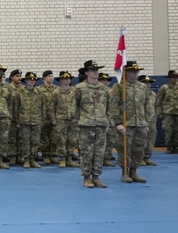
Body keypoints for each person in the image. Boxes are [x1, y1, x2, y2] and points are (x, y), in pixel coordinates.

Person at [72, 60, 111, 188]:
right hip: (85, 124)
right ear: (87, 72)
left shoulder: (104, 89)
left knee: (99, 152)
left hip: (101, 124)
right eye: (93, 70)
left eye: (97, 70)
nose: (95, 73)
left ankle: (96, 176)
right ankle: (87, 177)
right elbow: (73, 107)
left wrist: (107, 121)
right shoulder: (79, 88)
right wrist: (76, 122)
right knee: (86, 152)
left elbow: (109, 108)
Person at [110, 61, 150, 183]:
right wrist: (118, 123)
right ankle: (125, 173)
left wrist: (147, 121)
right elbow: (113, 106)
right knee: (125, 150)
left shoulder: (142, 87)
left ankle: (134, 172)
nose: (135, 74)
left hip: (140, 124)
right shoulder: (119, 87)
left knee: (139, 150)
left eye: (137, 72)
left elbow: (147, 105)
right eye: (132, 72)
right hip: (126, 124)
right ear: (126, 73)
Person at [13, 72, 44, 168]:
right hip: (24, 121)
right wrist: (17, 121)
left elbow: (43, 108)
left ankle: (32, 159)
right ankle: (26, 159)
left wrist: (41, 120)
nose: (32, 81)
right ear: (25, 81)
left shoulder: (39, 93)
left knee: (35, 141)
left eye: (33, 80)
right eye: (29, 79)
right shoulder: (19, 93)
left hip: (36, 120)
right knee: (25, 141)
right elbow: (16, 108)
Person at [52, 71, 79, 168]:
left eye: (68, 78)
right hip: (61, 119)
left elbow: (78, 106)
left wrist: (78, 118)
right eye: (64, 79)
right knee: (61, 140)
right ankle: (62, 159)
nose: (67, 80)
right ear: (61, 80)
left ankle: (69, 159)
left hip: (73, 119)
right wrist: (53, 119)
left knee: (71, 140)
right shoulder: (56, 92)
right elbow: (52, 107)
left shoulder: (75, 92)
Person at [37, 70, 58, 163]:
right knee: (44, 137)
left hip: (54, 117)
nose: (51, 78)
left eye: (52, 76)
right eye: (49, 76)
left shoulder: (57, 89)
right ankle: (45, 155)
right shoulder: (39, 90)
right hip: (44, 117)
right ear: (44, 78)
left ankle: (52, 155)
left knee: (54, 137)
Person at [138, 75, 157, 166]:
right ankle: (140, 158)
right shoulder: (138, 94)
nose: (147, 85)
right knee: (142, 141)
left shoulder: (153, 94)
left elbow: (156, 106)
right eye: (145, 83)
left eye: (149, 83)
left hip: (152, 120)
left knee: (151, 140)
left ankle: (147, 157)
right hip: (142, 120)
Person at [158, 69, 178, 153]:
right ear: (169, 78)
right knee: (169, 131)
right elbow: (159, 101)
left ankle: (176, 146)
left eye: (176, 77)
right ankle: (169, 147)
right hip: (168, 112)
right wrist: (159, 113)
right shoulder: (164, 88)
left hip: (177, 112)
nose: (175, 79)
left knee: (177, 131)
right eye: (173, 77)